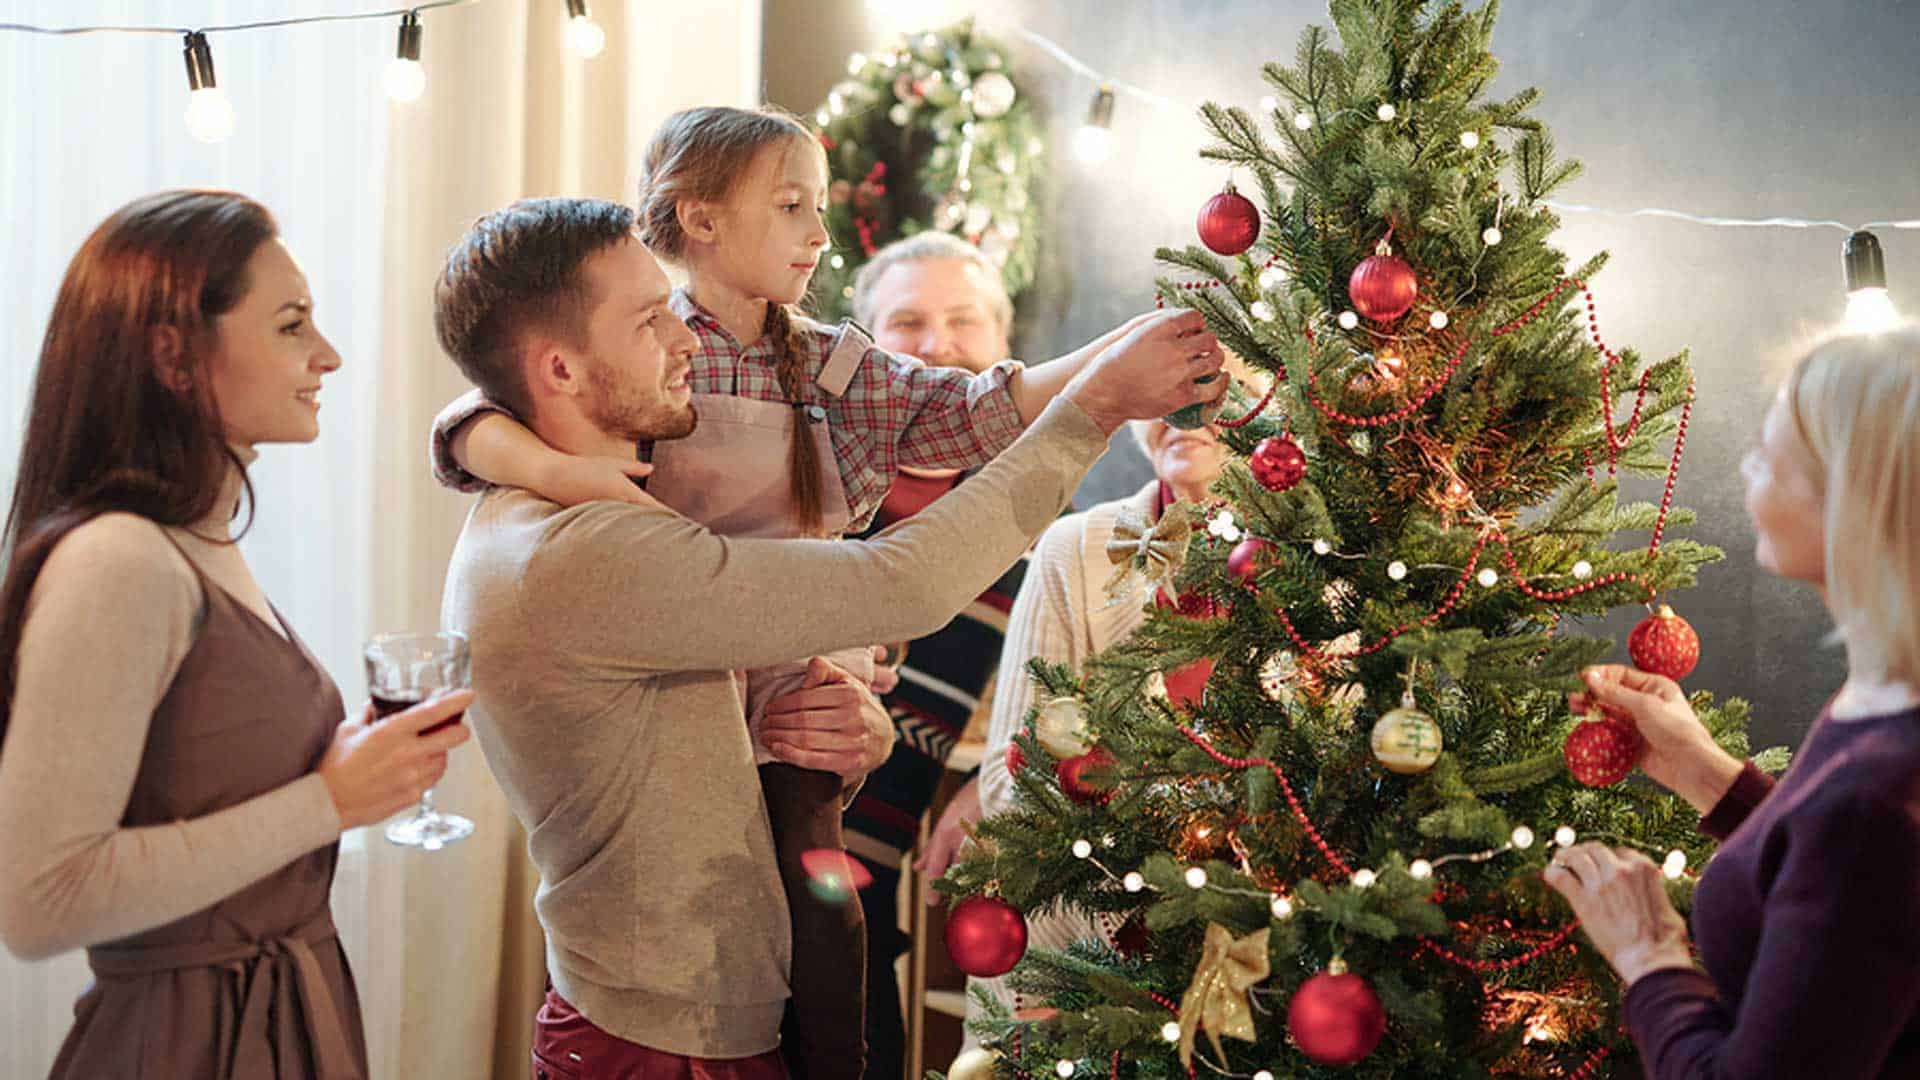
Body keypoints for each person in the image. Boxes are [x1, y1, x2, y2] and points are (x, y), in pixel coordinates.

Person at [429, 107, 1166, 1076]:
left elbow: (973, 412)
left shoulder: (821, 363)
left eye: (819, 208)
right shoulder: (606, 455)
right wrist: (546, 466)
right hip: (694, 674)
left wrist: (1109, 365)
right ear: (697, 222)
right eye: (790, 207)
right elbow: (482, 403)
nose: (816, 233)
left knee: (826, 930)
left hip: (782, 660)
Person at [0, 189, 472, 1077]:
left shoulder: (195, 544)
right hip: (188, 1045)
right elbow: (38, 901)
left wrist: (335, 764)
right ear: (174, 356)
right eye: (291, 326)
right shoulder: (120, 561)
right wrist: (332, 801)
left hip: (272, 1018)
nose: (327, 356)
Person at [1545, 327, 1920, 1078]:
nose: (1744, 468)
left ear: (1851, 498)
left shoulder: (1880, 792)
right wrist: (1704, 772)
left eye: (1770, 458)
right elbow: (1844, 900)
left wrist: (1648, 955)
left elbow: (1852, 850)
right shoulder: (1886, 691)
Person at [947, 411, 1235, 1050]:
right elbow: (1004, 783)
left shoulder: (1333, 563)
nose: (1187, 413)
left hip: (1266, 968)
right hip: (1073, 963)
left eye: (1219, 386)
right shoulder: (1074, 547)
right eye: (1170, 389)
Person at [836, 230, 1031, 1079]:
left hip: (868, 915)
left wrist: (997, 780)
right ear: (865, 348)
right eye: (907, 321)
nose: (936, 344)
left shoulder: (1023, 540)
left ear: (1003, 354)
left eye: (963, 320)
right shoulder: (810, 496)